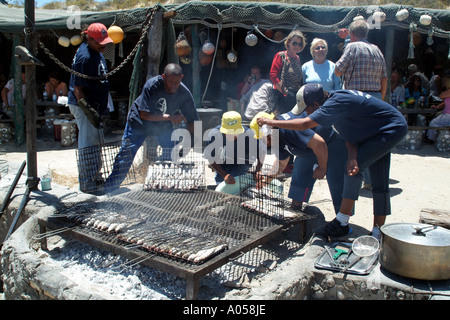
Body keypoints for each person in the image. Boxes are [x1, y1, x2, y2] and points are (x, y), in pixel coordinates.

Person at [256, 83, 408, 240]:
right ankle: (378, 232)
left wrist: (272, 122)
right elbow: (348, 134)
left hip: (390, 129)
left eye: (307, 108)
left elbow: (305, 124)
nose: (306, 112)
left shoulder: (334, 104)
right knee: (373, 179)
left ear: (316, 104)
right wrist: (352, 156)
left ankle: (341, 222)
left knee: (353, 171)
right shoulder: (334, 107)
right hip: (375, 131)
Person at [105, 63, 199, 191]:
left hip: (162, 127)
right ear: (163, 77)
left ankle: (160, 184)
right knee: (126, 154)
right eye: (170, 82)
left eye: (176, 82)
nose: (173, 86)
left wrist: (187, 141)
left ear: (181, 77)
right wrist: (170, 118)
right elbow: (144, 114)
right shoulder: (152, 85)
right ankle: (110, 187)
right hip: (139, 123)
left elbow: (193, 121)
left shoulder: (184, 93)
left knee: (171, 153)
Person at [250, 108, 348, 216]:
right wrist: (265, 180)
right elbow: (281, 164)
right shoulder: (276, 138)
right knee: (300, 173)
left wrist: (322, 168)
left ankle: (342, 219)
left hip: (331, 144)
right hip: (309, 149)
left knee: (336, 181)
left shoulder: (289, 129)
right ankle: (296, 209)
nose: (264, 142)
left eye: (264, 138)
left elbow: (320, 144)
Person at [68, 22, 113, 193]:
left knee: (96, 143)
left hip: (96, 105)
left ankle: (95, 176)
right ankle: (87, 181)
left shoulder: (96, 51)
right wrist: (90, 112)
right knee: (88, 143)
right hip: (84, 105)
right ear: (89, 38)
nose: (103, 45)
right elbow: (78, 89)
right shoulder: (84, 57)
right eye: (99, 42)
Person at [204, 111, 261, 191]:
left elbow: (261, 153)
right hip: (223, 161)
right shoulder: (214, 135)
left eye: (235, 133)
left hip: (242, 161)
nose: (232, 135)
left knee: (237, 183)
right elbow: (211, 158)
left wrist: (258, 170)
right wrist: (224, 174)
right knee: (222, 184)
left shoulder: (249, 135)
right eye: (228, 133)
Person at [334, 19, 388, 101]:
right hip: (375, 98)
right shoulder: (377, 49)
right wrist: (381, 100)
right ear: (366, 34)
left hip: (356, 97)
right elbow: (384, 79)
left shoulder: (351, 47)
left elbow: (338, 71)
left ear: (351, 33)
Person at [270, 29, 306, 114]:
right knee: (282, 121)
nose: (297, 46)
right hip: (283, 96)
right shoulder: (281, 55)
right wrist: (285, 92)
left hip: (295, 96)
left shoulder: (298, 58)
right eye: (294, 43)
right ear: (288, 43)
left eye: (299, 44)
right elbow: (273, 75)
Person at [426, 76, 450, 142]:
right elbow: (445, 102)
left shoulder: (448, 91)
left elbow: (441, 95)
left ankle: (431, 139)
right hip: (446, 115)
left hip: (448, 116)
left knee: (433, 123)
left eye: (444, 82)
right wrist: (437, 107)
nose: (443, 83)